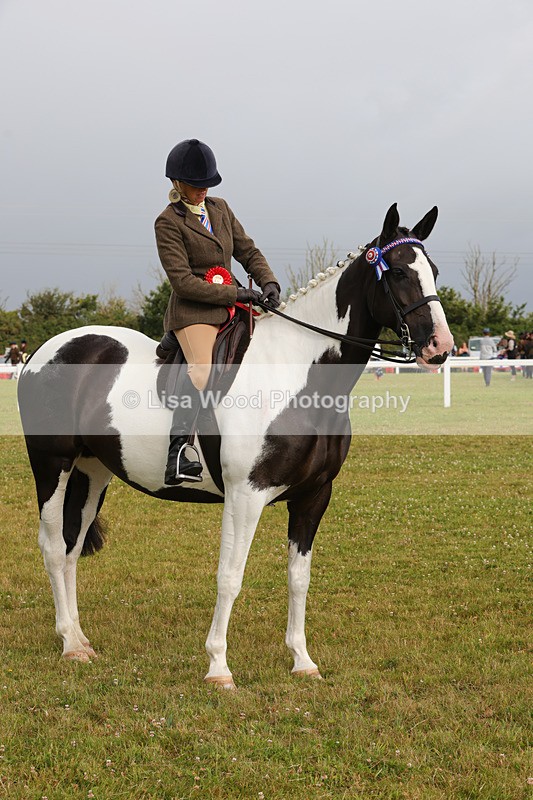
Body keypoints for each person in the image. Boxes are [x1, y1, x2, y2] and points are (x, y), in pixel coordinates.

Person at [155, 138, 281, 485]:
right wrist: (236, 292)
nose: (203, 190)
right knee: (201, 370)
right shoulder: (167, 222)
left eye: (207, 183)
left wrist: (268, 281)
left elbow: (247, 250)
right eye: (195, 185)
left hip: (233, 306)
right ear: (177, 183)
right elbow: (183, 282)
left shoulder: (220, 209)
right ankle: (178, 453)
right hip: (194, 311)